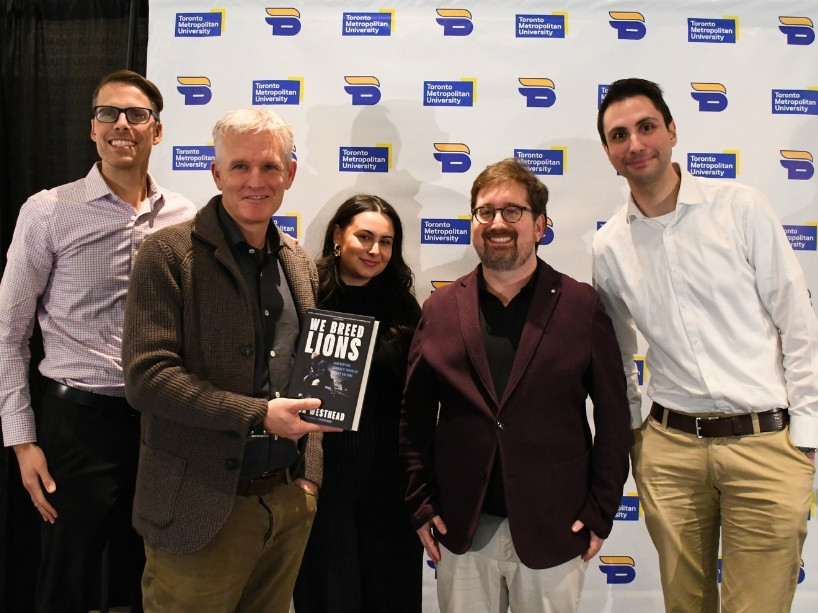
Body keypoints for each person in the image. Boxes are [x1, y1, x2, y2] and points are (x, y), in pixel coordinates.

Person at [592, 77, 818, 613]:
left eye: (647, 127)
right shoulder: (609, 246)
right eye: (619, 135)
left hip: (766, 444)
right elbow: (617, 356)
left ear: (672, 131)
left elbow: (798, 323)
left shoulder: (741, 208)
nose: (635, 143)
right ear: (608, 152)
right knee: (684, 606)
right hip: (671, 454)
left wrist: (806, 433)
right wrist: (636, 437)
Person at [121, 108, 340, 612]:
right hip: (197, 510)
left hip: (286, 505)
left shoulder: (299, 263)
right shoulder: (166, 254)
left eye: (269, 166)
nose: (255, 181)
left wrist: (308, 480)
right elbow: (147, 378)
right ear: (216, 173)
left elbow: (309, 374)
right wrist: (258, 414)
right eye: (240, 166)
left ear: (290, 173)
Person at [0, 69, 195, 612]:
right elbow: (8, 334)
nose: (121, 124)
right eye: (108, 113)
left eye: (137, 114)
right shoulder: (48, 211)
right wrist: (22, 443)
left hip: (159, 425)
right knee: (67, 581)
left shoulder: (187, 217)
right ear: (92, 129)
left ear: (157, 131)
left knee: (149, 578)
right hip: (76, 425)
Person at [399, 158, 631, 613]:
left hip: (556, 528)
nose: (497, 223)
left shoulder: (580, 306)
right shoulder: (440, 309)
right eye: (485, 212)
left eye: (512, 212)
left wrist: (601, 509)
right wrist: (420, 503)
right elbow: (414, 418)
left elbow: (613, 415)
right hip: (462, 529)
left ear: (540, 225)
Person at [294, 195, 423, 613]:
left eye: (386, 242)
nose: (375, 251)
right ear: (337, 236)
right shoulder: (305, 295)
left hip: (389, 479)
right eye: (364, 237)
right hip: (323, 475)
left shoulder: (403, 305)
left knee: (391, 593)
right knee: (329, 595)